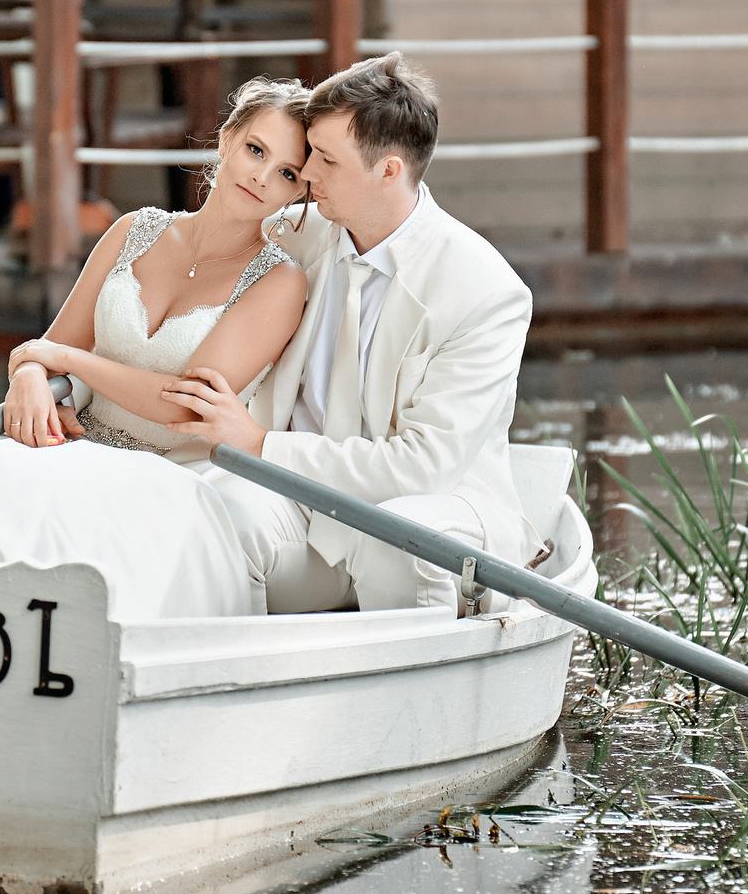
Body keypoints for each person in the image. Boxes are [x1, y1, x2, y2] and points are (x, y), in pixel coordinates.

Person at [0, 78, 314, 619]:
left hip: (167, 472)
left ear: (298, 191)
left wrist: (62, 362)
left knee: (66, 550)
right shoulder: (133, 230)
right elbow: (48, 346)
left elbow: (183, 405)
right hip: (72, 441)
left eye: (287, 172)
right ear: (225, 140)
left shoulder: (280, 282)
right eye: (255, 150)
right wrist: (31, 376)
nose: (262, 177)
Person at [163, 54, 536, 616]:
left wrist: (262, 446)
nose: (305, 174)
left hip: (428, 503)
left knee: (399, 540)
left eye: (326, 160)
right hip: (299, 498)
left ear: (388, 171)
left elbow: (423, 467)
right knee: (207, 513)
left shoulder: (485, 291)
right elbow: (180, 284)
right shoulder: (293, 238)